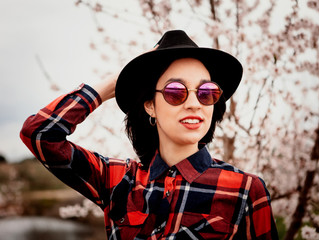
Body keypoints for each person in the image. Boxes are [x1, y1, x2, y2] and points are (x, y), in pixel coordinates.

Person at [20, 30, 278, 239]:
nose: (194, 103)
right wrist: (116, 82)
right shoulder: (117, 180)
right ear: (150, 105)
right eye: (176, 91)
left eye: (206, 92)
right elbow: (40, 133)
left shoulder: (245, 190)